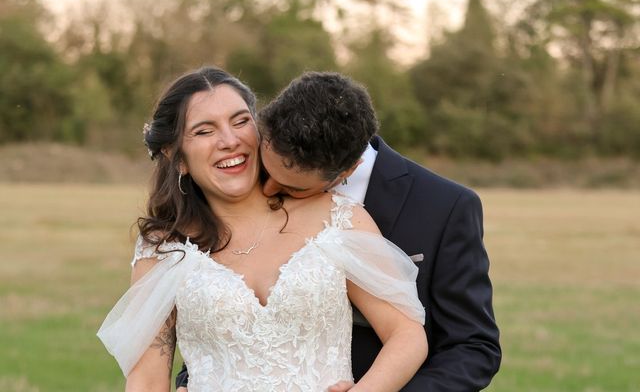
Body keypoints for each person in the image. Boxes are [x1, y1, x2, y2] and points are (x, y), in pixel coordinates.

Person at [97, 66, 428, 391]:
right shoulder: (163, 249)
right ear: (177, 157)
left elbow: (406, 334)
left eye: (241, 121)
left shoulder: (338, 217)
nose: (229, 140)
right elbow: (146, 380)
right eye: (204, 131)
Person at [177, 71, 501, 391]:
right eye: (267, 170)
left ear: (346, 172)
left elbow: (473, 348)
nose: (269, 188)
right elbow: (230, 297)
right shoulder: (260, 168)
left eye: (293, 188)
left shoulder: (445, 206)